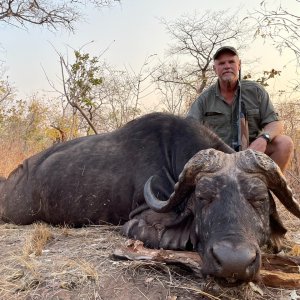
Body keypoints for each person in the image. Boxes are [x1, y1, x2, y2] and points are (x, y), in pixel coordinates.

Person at [187, 46, 294, 172]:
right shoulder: (203, 99)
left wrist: (263, 138)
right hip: (218, 161)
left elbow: (275, 123)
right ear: (215, 69)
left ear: (239, 65)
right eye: (221, 63)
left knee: (284, 143)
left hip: (251, 155)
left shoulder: (256, 91)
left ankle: (267, 189)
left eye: (231, 61)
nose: (227, 66)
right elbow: (188, 130)